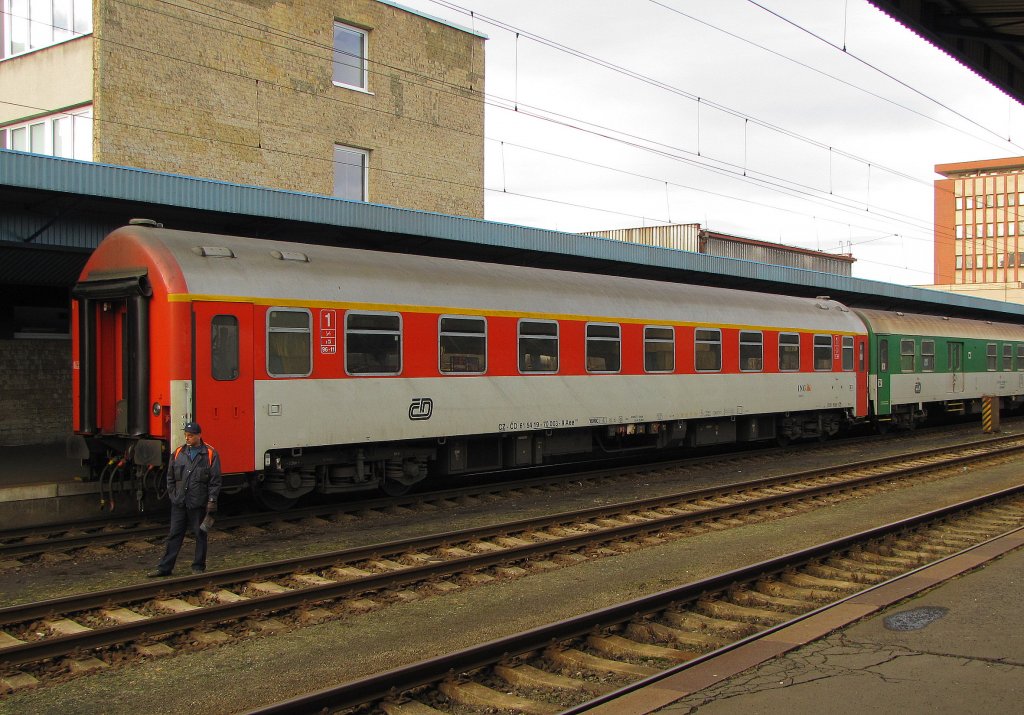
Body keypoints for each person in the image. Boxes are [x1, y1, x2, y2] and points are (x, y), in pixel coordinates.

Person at [148, 422, 221, 576]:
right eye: (186, 435)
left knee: (200, 534)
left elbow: (215, 480)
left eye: (191, 435)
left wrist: (212, 500)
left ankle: (198, 567)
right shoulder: (178, 453)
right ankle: (164, 568)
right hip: (180, 502)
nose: (187, 438)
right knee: (174, 534)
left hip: (198, 502)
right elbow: (170, 477)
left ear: (199, 435)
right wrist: (173, 495)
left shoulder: (209, 454)